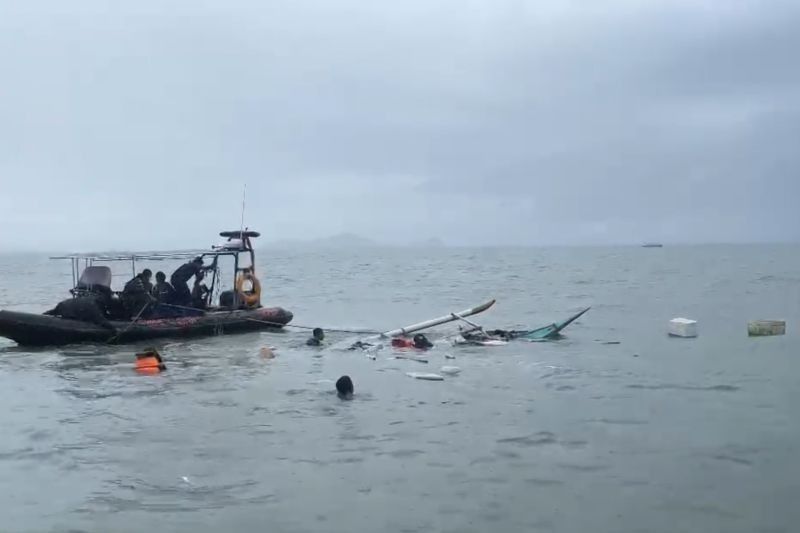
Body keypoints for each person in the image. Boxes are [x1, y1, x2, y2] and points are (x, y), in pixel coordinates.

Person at [44, 295, 116, 332]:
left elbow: (53, 311)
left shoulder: (88, 300)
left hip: (64, 306)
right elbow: (101, 321)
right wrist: (114, 330)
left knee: (52, 312)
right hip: (69, 313)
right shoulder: (93, 305)